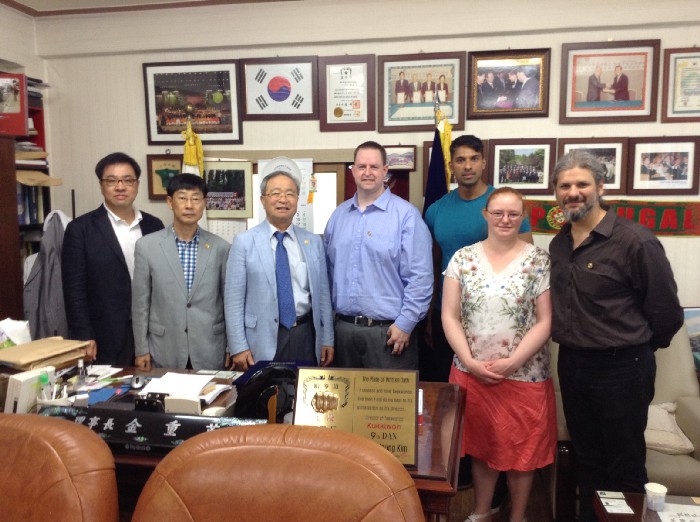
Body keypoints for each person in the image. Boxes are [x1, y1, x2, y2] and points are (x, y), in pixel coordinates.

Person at [549, 150, 684, 522]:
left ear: (600, 188)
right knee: (587, 459)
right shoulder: (559, 244)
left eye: (582, 184)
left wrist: (633, 348)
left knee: (624, 464)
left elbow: (666, 314)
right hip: (574, 365)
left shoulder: (635, 241)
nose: (573, 192)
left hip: (623, 368)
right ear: (556, 193)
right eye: (565, 185)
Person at [442, 187, 556, 522]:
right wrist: (470, 361)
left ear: (523, 217)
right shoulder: (463, 259)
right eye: (498, 213)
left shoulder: (539, 261)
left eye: (513, 214)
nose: (505, 219)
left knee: (524, 451)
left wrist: (514, 361)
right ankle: (481, 511)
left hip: (525, 374)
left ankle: (517, 515)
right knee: (482, 447)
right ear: (486, 215)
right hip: (472, 371)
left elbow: (545, 319)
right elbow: (449, 315)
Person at [423, 135, 532, 383]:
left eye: (474, 159)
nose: (468, 166)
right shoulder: (436, 210)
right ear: (452, 166)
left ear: (484, 163)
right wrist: (430, 316)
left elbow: (526, 267)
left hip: (495, 319)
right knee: (449, 391)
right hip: (448, 316)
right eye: (460, 160)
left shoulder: (504, 206)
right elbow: (432, 265)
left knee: (490, 392)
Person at [324, 141, 432, 370]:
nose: (367, 172)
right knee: (345, 404)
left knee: (390, 404)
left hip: (390, 333)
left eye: (374, 166)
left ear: (385, 171)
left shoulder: (406, 216)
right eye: (361, 166)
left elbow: (420, 278)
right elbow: (327, 272)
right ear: (352, 171)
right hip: (343, 331)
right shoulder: (338, 216)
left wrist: (406, 324)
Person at [225, 159, 334, 371]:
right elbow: (233, 301)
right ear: (263, 200)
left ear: (297, 200)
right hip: (260, 339)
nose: (283, 199)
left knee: (303, 399)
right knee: (264, 400)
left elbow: (323, 297)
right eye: (275, 193)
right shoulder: (244, 242)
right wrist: (238, 346)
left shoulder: (313, 242)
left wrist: (327, 338)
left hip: (305, 335)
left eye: (290, 193)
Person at [62, 152, 164, 365]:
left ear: (137, 184)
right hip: (104, 335)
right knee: (111, 395)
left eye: (128, 180)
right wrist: (84, 336)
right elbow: (74, 291)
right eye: (111, 180)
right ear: (101, 185)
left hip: (151, 332)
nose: (120, 187)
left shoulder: (154, 226)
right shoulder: (80, 229)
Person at [132, 174, 230, 371]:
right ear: (170, 202)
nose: (189, 205)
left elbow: (228, 301)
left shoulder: (221, 247)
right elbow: (141, 303)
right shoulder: (147, 246)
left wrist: (230, 346)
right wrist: (141, 349)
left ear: (204, 203)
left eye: (196, 198)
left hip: (209, 347)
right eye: (182, 197)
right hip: (164, 347)